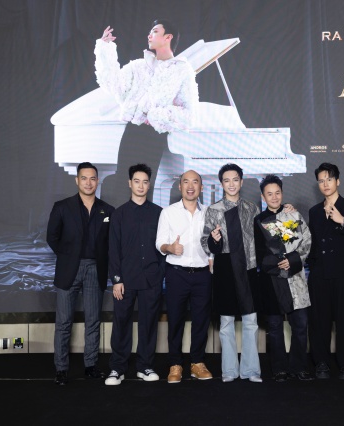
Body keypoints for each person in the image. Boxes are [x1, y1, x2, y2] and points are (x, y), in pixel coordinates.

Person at [94, 19, 198, 204]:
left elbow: (188, 113)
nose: (149, 35)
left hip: (154, 135)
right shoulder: (139, 66)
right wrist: (105, 49)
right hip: (132, 131)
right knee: (123, 184)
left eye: (155, 31)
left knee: (144, 188)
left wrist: (157, 115)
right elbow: (113, 84)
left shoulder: (182, 70)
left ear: (168, 37)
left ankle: (141, 223)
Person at [46, 162, 115, 385]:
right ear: (77, 180)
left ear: (97, 181)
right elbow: (52, 237)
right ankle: (61, 369)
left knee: (93, 320)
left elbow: (111, 243)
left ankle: (91, 366)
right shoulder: (62, 207)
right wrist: (68, 257)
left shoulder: (108, 210)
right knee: (63, 322)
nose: (88, 182)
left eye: (92, 178)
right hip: (69, 269)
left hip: (95, 269)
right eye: (84, 178)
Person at [200, 164, 262, 383]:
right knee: (226, 323)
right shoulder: (213, 210)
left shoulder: (252, 208)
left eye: (235, 179)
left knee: (250, 321)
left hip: (249, 268)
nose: (231, 184)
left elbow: (261, 238)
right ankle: (229, 370)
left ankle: (251, 370)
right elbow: (205, 242)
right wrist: (214, 240)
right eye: (227, 180)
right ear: (221, 183)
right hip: (225, 269)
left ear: (241, 182)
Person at [104, 164, 165, 386]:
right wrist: (116, 280)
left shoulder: (159, 213)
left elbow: (163, 247)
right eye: (136, 181)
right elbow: (113, 250)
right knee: (121, 323)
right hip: (125, 280)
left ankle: (145, 367)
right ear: (130, 183)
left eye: (145, 182)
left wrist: (159, 275)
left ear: (149, 185)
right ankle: (117, 368)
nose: (141, 186)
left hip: (151, 279)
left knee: (149, 324)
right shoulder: (119, 214)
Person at [307, 163, 344, 380]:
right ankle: (321, 363)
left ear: (338, 181)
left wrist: (342, 221)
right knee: (319, 322)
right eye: (321, 180)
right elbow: (311, 244)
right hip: (320, 274)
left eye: (329, 179)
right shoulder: (314, 211)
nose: (325, 184)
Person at [254, 175, 314, 382]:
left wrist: (293, 260)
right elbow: (257, 252)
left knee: (301, 325)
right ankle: (279, 368)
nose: (274, 197)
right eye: (269, 194)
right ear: (263, 196)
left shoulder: (292, 214)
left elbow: (306, 241)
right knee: (275, 328)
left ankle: (299, 367)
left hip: (295, 277)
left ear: (282, 193)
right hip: (271, 281)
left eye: (277, 193)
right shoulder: (259, 221)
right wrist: (279, 262)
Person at [156, 170, 213, 384]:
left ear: (201, 187)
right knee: (175, 320)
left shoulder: (209, 212)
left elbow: (215, 241)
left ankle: (197, 363)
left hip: (202, 274)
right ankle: (175, 364)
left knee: (201, 321)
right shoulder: (168, 212)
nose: (190, 186)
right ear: (180, 187)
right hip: (176, 274)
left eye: (195, 182)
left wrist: (212, 257)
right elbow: (159, 242)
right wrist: (170, 247)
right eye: (186, 182)